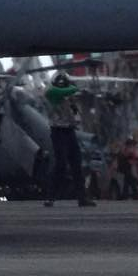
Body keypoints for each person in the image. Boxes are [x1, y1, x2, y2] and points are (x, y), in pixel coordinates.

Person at [43, 73, 95, 208]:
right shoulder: (51, 93)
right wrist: (72, 89)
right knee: (60, 164)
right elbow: (64, 91)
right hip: (58, 131)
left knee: (77, 165)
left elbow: (75, 113)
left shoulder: (69, 97)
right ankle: (50, 197)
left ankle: (82, 198)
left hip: (70, 131)